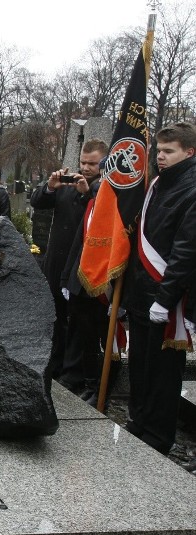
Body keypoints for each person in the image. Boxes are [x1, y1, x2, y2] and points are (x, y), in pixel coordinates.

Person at [122, 122, 196, 455]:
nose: (161, 157)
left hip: (169, 300)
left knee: (163, 373)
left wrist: (165, 299)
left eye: (169, 151)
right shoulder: (155, 185)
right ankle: (138, 420)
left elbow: (185, 251)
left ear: (189, 153)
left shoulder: (191, 189)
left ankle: (157, 434)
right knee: (139, 363)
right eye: (159, 150)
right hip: (141, 294)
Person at [31, 139, 108, 390]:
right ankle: (54, 364)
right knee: (55, 316)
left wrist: (87, 193)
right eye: (83, 162)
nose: (86, 168)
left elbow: (100, 218)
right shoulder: (68, 184)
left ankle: (71, 373)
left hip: (81, 264)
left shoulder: (102, 189)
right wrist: (51, 188)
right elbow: (38, 202)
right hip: (56, 261)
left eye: (92, 164)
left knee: (76, 320)